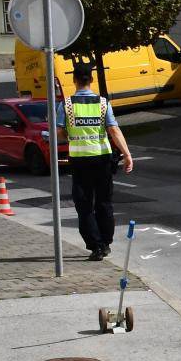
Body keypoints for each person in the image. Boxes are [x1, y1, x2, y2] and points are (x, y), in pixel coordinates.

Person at [56, 64, 134, 260]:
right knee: (104, 202)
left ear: (74, 80)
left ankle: (96, 245)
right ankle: (106, 242)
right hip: (102, 159)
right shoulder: (102, 103)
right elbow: (114, 130)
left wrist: (69, 134)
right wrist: (127, 154)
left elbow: (59, 133)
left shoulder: (66, 105)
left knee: (83, 204)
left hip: (80, 161)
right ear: (91, 80)